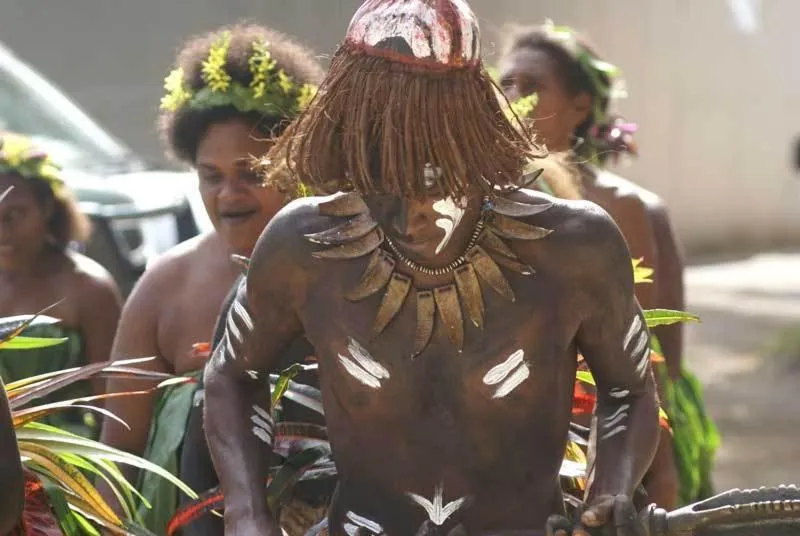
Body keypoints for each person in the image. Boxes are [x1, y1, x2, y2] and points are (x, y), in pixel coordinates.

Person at [204, 1, 661, 535]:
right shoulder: (304, 247)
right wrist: (247, 515)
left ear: (471, 143)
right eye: (379, 178)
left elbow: (630, 390)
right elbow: (233, 376)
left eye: (430, 180)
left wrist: (607, 496)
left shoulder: (573, 247)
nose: (408, 213)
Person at [97, 24, 325, 534]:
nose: (229, 195)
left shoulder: (349, 271)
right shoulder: (164, 287)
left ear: (298, 163)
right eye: (211, 176)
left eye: (252, 173)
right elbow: (117, 457)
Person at [497, 22, 718, 507]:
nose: (517, 100)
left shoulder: (623, 209)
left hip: (601, 441)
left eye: (533, 87)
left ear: (580, 106)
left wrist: (659, 478)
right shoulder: (480, 199)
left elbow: (649, 353)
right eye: (506, 84)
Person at [0, 132, 121, 436]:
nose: (2, 230)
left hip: (64, 464)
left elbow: (114, 402)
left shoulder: (87, 287)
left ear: (47, 207)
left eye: (14, 214)